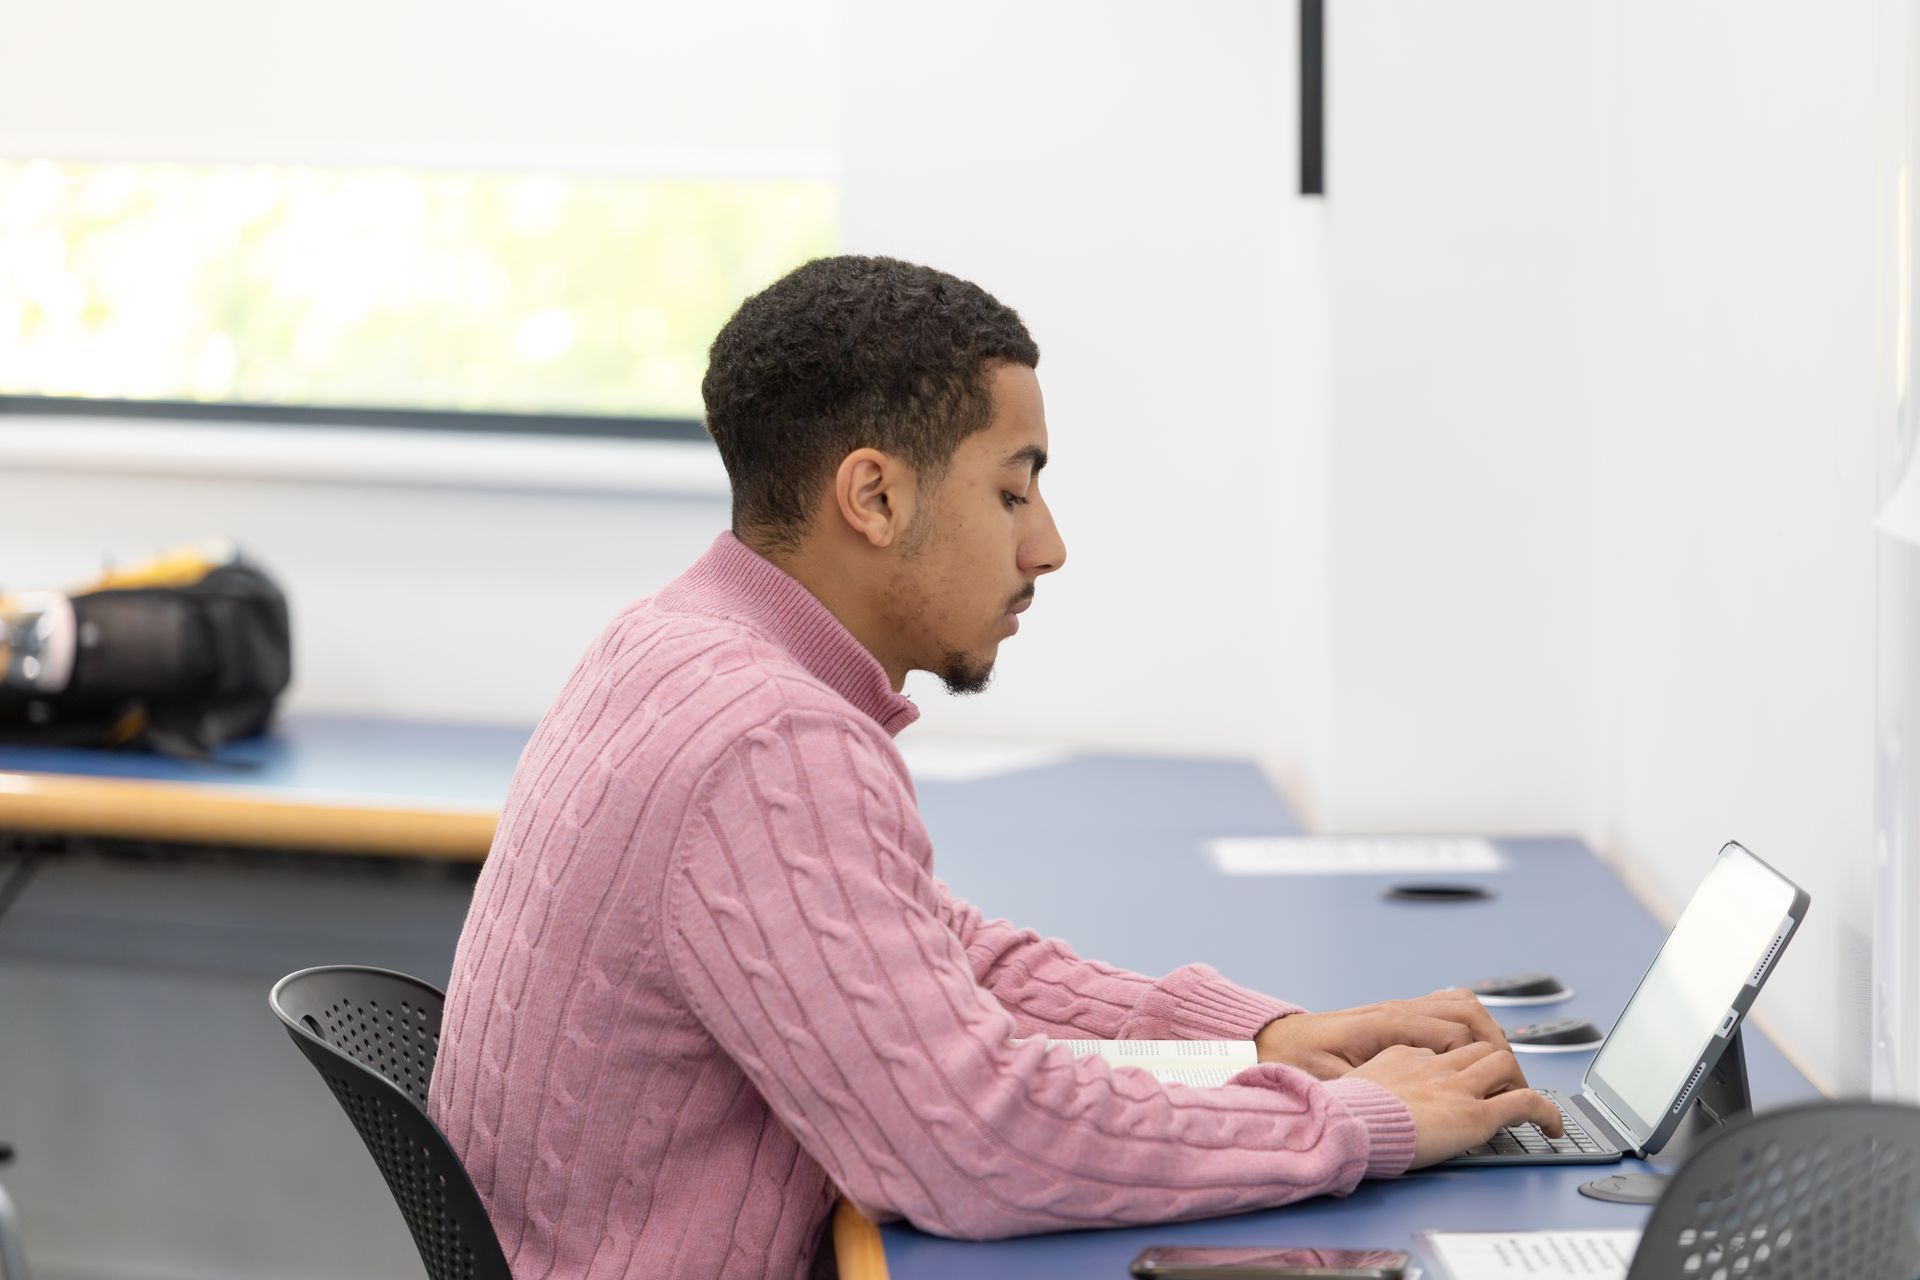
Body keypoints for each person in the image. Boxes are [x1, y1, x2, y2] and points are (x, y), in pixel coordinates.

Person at [427, 255, 1562, 1280]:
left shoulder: (671, 642)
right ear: (875, 495)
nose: (1047, 545)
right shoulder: (769, 735)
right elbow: (974, 1143)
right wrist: (1360, 1120)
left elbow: (920, 946)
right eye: (1013, 489)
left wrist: (1256, 1041)